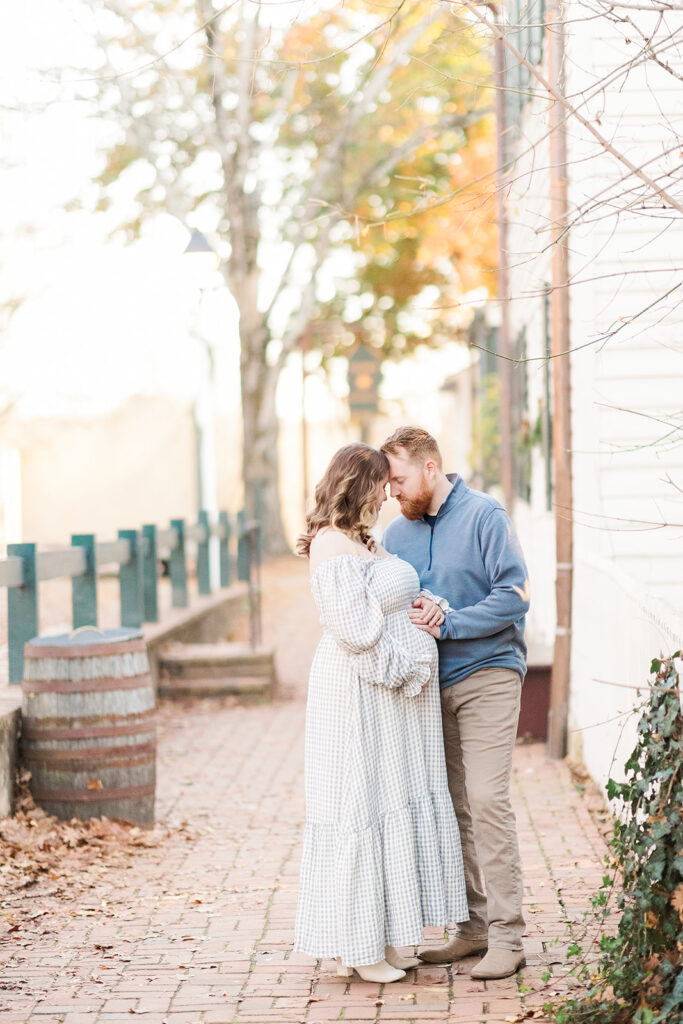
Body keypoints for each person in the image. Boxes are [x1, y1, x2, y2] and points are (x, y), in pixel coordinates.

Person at [293, 443, 469, 984]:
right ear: (359, 484)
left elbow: (386, 608)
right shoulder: (330, 544)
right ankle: (360, 948)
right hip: (360, 691)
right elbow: (356, 631)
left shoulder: (364, 541)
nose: (390, 492)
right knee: (360, 802)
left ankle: (386, 936)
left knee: (389, 798)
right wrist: (407, 665)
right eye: (381, 483)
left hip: (389, 699)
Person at [380, 426, 530, 981]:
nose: (393, 492)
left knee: (488, 798)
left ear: (429, 466)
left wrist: (451, 623)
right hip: (426, 686)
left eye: (398, 479)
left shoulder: (486, 516)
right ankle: (472, 928)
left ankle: (508, 937)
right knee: (453, 807)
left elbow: (514, 597)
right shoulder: (396, 535)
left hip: (489, 673)